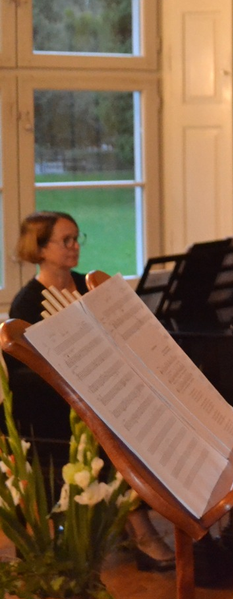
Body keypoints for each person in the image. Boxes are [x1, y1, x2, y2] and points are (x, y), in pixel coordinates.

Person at [7, 211, 176, 572]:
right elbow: (34, 375)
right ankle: (141, 530)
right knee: (117, 430)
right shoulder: (28, 302)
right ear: (40, 249)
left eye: (76, 238)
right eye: (65, 240)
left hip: (104, 391)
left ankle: (156, 511)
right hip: (57, 406)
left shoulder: (88, 286)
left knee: (151, 415)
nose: (74, 247)